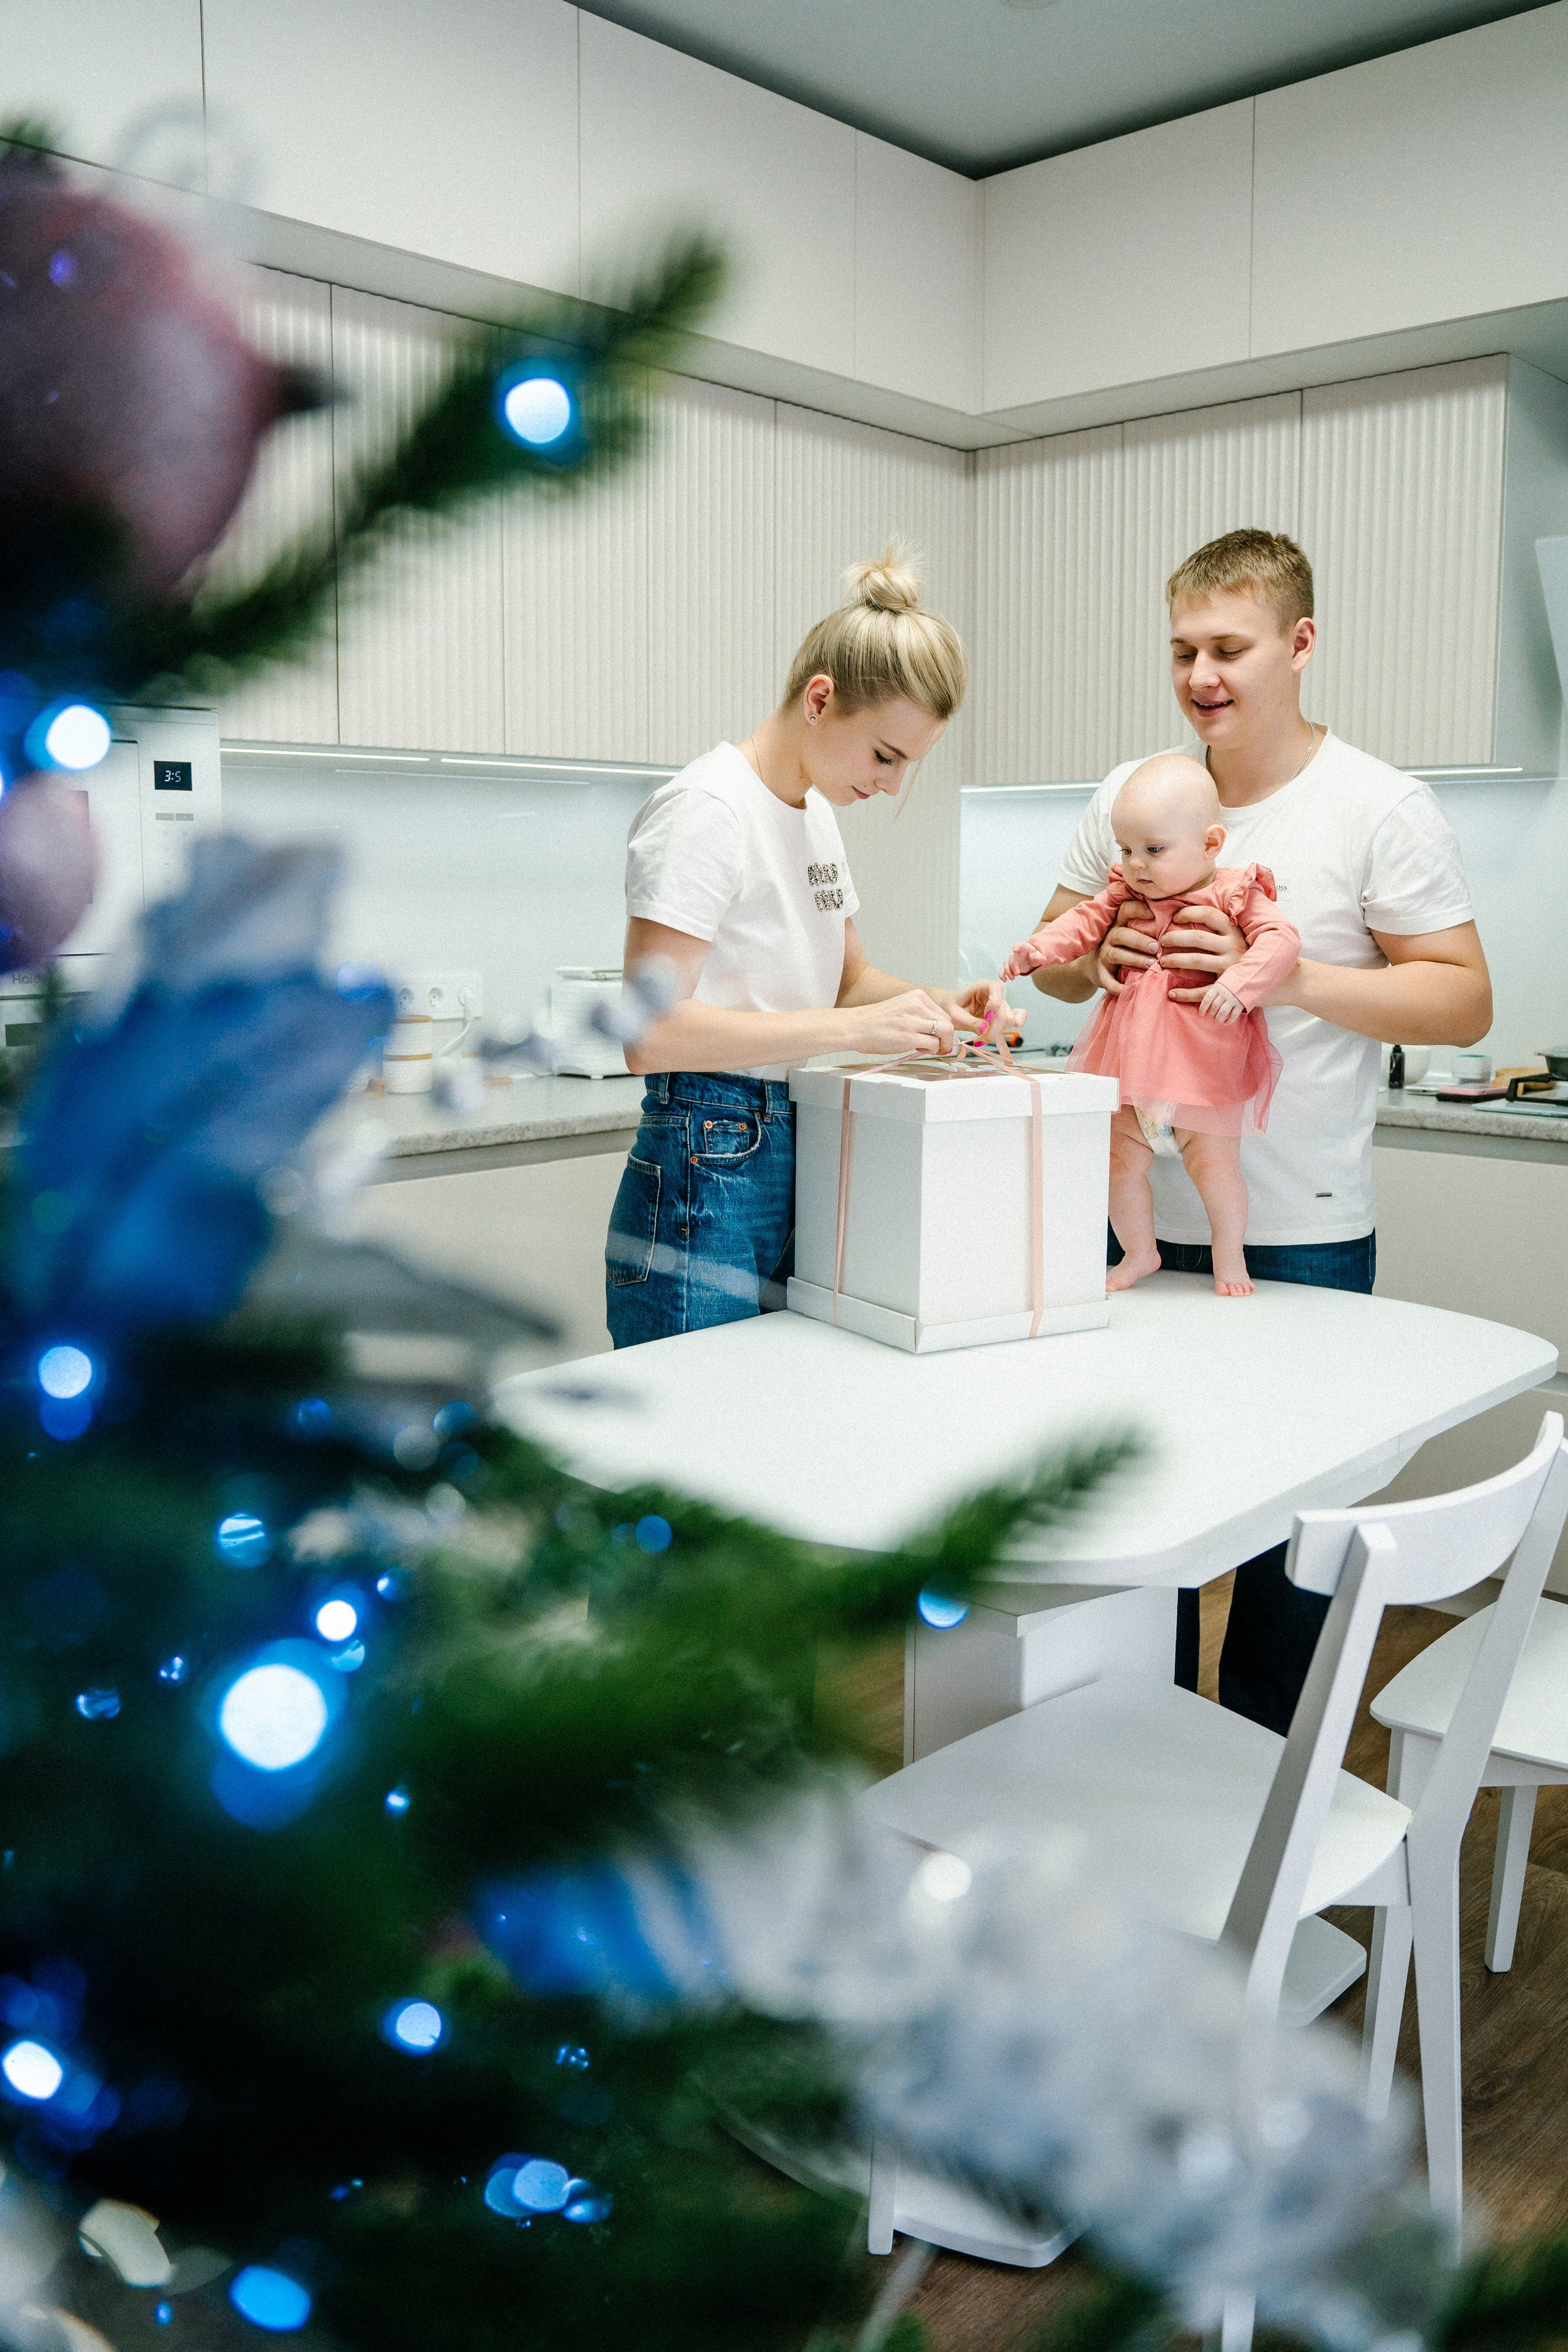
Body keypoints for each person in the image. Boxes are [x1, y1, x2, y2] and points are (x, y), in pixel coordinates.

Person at [1024, 528, 1491, 1733]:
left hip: (1299, 1238)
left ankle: (1257, 1848)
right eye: (1180, 649)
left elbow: (1458, 997)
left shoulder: (1376, 806)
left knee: (1286, 1586)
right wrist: (1099, 957)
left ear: (1298, 644)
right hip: (1131, 1237)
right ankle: (1143, 1790)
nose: (1198, 676)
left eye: (1226, 647)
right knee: (1136, 1565)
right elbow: (1056, 967)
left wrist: (1285, 980)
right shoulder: (1133, 799)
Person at [607, 546, 1007, 1350]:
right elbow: (648, 1037)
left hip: (788, 1134)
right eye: (886, 755)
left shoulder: (812, 812)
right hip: (707, 1147)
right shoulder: (708, 811)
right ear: (820, 699)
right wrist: (853, 1031)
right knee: (700, 1427)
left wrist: (935, 1005)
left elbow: (846, 977)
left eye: (909, 765)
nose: (893, 784)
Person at [1004, 753, 1300, 1297]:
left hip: (1203, 1071)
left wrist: (1240, 984)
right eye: (1126, 850)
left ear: (1211, 844)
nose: (1136, 864)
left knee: (1215, 1171)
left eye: (1153, 850)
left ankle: (1229, 1255)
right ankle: (1141, 1252)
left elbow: (1282, 941)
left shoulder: (1233, 893)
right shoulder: (1126, 893)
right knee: (1116, 1167)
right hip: (1131, 1071)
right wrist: (1039, 950)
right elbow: (1079, 921)